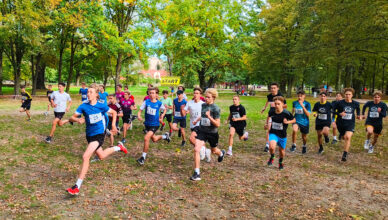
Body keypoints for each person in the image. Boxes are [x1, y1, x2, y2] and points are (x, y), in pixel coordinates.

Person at [66, 87, 127, 196]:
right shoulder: (83, 106)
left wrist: (113, 125)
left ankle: (77, 186)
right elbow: (71, 118)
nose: (88, 94)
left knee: (85, 157)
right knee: (102, 155)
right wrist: (77, 119)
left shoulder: (101, 105)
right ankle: (119, 147)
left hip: (99, 134)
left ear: (96, 95)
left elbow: (113, 112)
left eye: (91, 92)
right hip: (89, 135)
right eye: (88, 92)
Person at [190, 88, 225, 181]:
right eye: (205, 96)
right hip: (202, 131)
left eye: (208, 97)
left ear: (213, 98)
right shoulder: (203, 105)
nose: (206, 98)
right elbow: (203, 115)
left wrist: (210, 117)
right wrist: (197, 120)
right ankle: (197, 173)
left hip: (212, 133)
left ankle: (221, 153)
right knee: (196, 149)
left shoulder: (216, 108)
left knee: (214, 150)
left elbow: (217, 124)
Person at [136, 87, 171, 165]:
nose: (151, 94)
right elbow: (140, 110)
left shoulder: (159, 103)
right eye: (150, 93)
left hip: (155, 124)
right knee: (154, 139)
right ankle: (165, 136)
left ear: (156, 94)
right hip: (147, 124)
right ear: (148, 94)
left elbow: (164, 109)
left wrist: (162, 115)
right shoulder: (146, 102)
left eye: (153, 93)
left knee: (146, 138)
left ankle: (142, 158)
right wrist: (139, 116)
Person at [265, 96, 295, 170]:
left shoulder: (286, 113)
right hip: (273, 133)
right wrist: (266, 124)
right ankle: (272, 157)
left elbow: (294, 120)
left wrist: (287, 122)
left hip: (282, 135)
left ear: (282, 104)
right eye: (275, 104)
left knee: (281, 151)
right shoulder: (272, 112)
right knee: (271, 147)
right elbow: (269, 118)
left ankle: (280, 162)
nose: (276, 106)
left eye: (278, 104)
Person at [184, 87, 211, 162]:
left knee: (191, 139)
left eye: (197, 93)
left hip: (200, 124)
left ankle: (202, 150)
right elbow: (185, 111)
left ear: (200, 95)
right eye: (194, 93)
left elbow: (206, 114)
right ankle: (206, 151)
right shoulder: (190, 102)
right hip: (192, 124)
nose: (195, 95)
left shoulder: (203, 104)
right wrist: (183, 111)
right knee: (199, 141)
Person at [333, 88, 361, 162]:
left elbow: (358, 109)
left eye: (349, 94)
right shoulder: (339, 103)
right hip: (340, 123)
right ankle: (341, 135)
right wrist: (339, 113)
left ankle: (345, 154)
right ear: (344, 95)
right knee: (343, 137)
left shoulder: (355, 103)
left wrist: (358, 115)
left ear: (352, 95)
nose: (347, 96)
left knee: (347, 137)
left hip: (350, 123)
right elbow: (332, 110)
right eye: (346, 94)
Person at [261, 83, 287, 152]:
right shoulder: (269, 96)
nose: (272, 89)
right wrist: (264, 107)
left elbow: (285, 106)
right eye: (271, 88)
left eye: (274, 88)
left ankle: (277, 141)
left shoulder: (280, 96)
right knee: (269, 128)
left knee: (278, 128)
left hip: (279, 114)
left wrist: (277, 106)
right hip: (271, 114)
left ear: (277, 88)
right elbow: (268, 101)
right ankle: (267, 145)